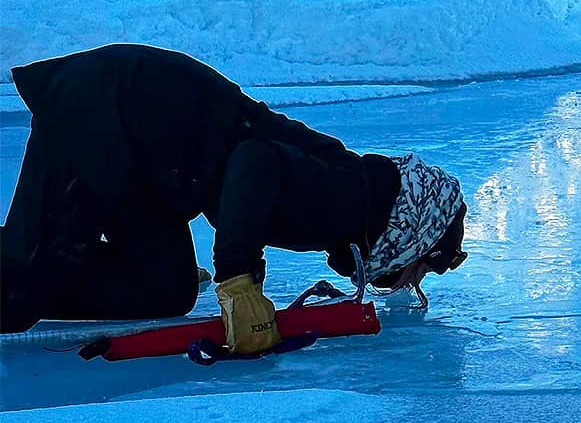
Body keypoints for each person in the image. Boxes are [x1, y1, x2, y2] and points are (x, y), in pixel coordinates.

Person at [0, 44, 467, 353]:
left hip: (148, 154)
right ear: (413, 232)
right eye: (422, 267)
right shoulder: (347, 199)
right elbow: (254, 164)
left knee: (166, 286)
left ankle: (64, 258)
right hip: (109, 109)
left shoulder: (352, 198)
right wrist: (237, 279)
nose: (408, 280)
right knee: (19, 290)